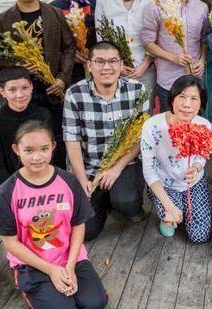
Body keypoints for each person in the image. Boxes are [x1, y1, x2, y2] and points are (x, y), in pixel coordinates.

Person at [0, 120, 107, 309]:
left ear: (53, 146)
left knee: (95, 305)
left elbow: (78, 225)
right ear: (17, 150)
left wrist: (70, 266)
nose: (37, 157)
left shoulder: (68, 181)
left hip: (69, 256)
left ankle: (75, 284)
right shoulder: (7, 191)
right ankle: (35, 290)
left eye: (44, 149)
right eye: (29, 150)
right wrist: (51, 270)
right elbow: (11, 243)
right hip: (33, 263)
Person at [0, 0, 75, 170]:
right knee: (22, 139)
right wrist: (17, 66)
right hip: (20, 92)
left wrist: (62, 79)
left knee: (55, 137)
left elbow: (69, 48)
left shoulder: (55, 14)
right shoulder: (1, 20)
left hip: (52, 88)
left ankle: (57, 177)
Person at [64, 41, 149, 241]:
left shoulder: (137, 90)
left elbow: (140, 137)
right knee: (87, 232)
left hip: (125, 163)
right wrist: (82, 178)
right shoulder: (75, 94)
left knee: (128, 202)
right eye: (100, 61)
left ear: (121, 65)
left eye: (112, 61)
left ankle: (118, 199)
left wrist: (117, 168)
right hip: (89, 166)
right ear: (89, 65)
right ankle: (102, 199)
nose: (107, 67)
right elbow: (71, 138)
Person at [141, 75, 212, 242]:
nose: (187, 104)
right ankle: (166, 209)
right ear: (172, 99)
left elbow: (202, 155)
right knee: (172, 216)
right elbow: (149, 170)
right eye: (182, 97)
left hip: (192, 183)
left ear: (201, 102)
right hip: (163, 183)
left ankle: (180, 208)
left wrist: (196, 168)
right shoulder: (152, 126)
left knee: (199, 236)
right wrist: (169, 206)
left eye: (194, 98)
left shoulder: (203, 125)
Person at [139, 0, 208, 112]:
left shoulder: (202, 7)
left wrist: (202, 60)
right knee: (169, 131)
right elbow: (147, 43)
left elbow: (204, 39)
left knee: (196, 129)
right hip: (168, 82)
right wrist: (173, 58)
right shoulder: (156, 7)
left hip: (195, 81)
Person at [93, 0, 155, 95]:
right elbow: (102, 40)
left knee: (145, 115)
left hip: (144, 71)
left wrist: (145, 65)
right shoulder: (103, 2)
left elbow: (154, 40)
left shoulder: (149, 3)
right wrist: (118, 66)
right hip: (115, 72)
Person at [0, 67, 52, 186]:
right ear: (2, 92)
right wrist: (14, 188)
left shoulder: (43, 115)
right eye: (12, 90)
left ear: (31, 87)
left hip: (43, 179)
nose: (20, 95)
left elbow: (52, 154)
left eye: (25, 88)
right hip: (10, 184)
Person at [49, 0, 96, 83]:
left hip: (99, 71)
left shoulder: (97, 3)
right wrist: (69, 55)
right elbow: (49, 45)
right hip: (66, 76)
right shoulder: (50, 9)